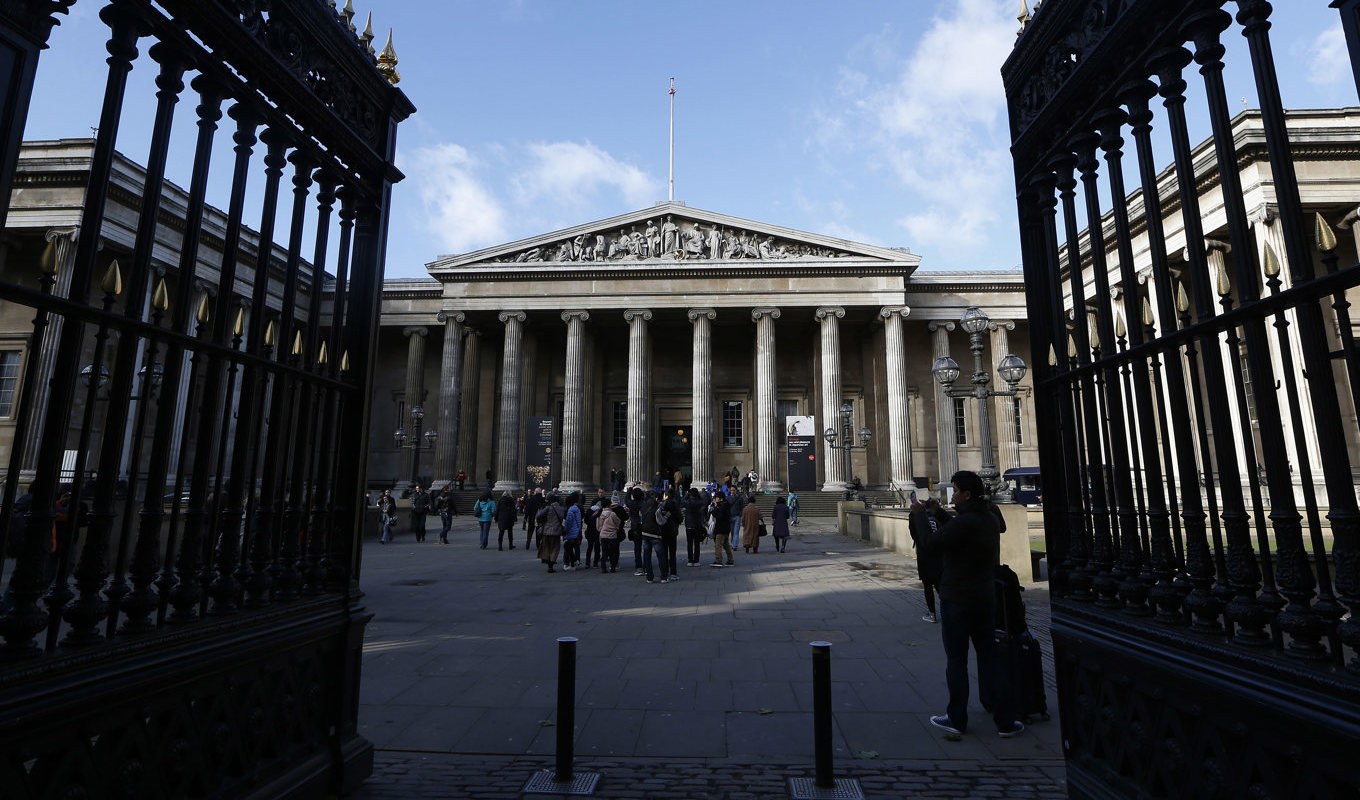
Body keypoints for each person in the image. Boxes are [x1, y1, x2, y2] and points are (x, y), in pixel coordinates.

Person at [918, 470, 1023, 739]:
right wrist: (940, 513)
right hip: (984, 599)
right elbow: (958, 528)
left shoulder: (965, 523)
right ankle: (1006, 722)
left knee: (957, 661)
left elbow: (931, 544)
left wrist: (920, 514)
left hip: (957, 600)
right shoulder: (987, 518)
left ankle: (956, 719)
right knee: (990, 659)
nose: (952, 495)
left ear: (966, 494)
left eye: (955, 490)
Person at [910, 496, 944, 623]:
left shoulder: (917, 517)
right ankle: (947, 610)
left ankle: (932, 614)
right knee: (940, 585)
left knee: (928, 586)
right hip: (938, 556)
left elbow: (914, 534)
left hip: (924, 557)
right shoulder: (936, 518)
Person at [638, 490, 668, 584]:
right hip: (655, 534)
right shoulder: (656, 508)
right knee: (660, 556)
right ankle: (663, 577)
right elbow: (661, 522)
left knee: (647, 556)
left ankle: (649, 577)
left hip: (644, 533)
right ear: (655, 498)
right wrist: (666, 517)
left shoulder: (643, 506)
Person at [536, 492, 565, 573]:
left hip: (547, 531)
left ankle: (548, 563)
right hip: (556, 532)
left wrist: (542, 522)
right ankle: (551, 565)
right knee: (555, 548)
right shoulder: (561, 509)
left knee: (546, 547)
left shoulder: (548, 508)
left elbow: (539, 515)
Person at [658, 488, 683, 581]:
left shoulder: (662, 505)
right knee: (672, 553)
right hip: (673, 530)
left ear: (666, 495)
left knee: (664, 552)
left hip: (664, 530)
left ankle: (664, 572)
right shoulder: (676, 505)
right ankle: (673, 572)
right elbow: (680, 518)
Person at [682, 487, 707, 567]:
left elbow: (682, 501)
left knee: (689, 543)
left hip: (689, 524)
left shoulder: (688, 502)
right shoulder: (700, 502)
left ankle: (690, 560)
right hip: (697, 524)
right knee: (697, 543)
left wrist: (686, 495)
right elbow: (703, 503)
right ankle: (696, 560)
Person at [597, 499, 623, 573]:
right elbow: (618, 521)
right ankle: (613, 567)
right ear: (609, 505)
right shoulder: (612, 514)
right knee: (613, 552)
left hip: (603, 535)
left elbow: (598, 526)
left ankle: (603, 567)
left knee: (604, 552)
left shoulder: (601, 514)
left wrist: (601, 530)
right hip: (612, 535)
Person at [709, 492, 733, 567]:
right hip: (726, 528)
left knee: (718, 544)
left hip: (721, 528)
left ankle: (718, 560)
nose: (715, 499)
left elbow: (719, 517)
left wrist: (713, 511)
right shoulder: (726, 505)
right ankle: (730, 560)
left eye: (716, 498)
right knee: (726, 545)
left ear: (720, 498)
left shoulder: (722, 506)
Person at [562, 492, 582, 570]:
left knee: (567, 547)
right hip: (577, 531)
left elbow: (568, 523)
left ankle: (570, 562)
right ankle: (574, 562)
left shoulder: (570, 511)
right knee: (574, 547)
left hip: (571, 532)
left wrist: (565, 530)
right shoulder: (577, 509)